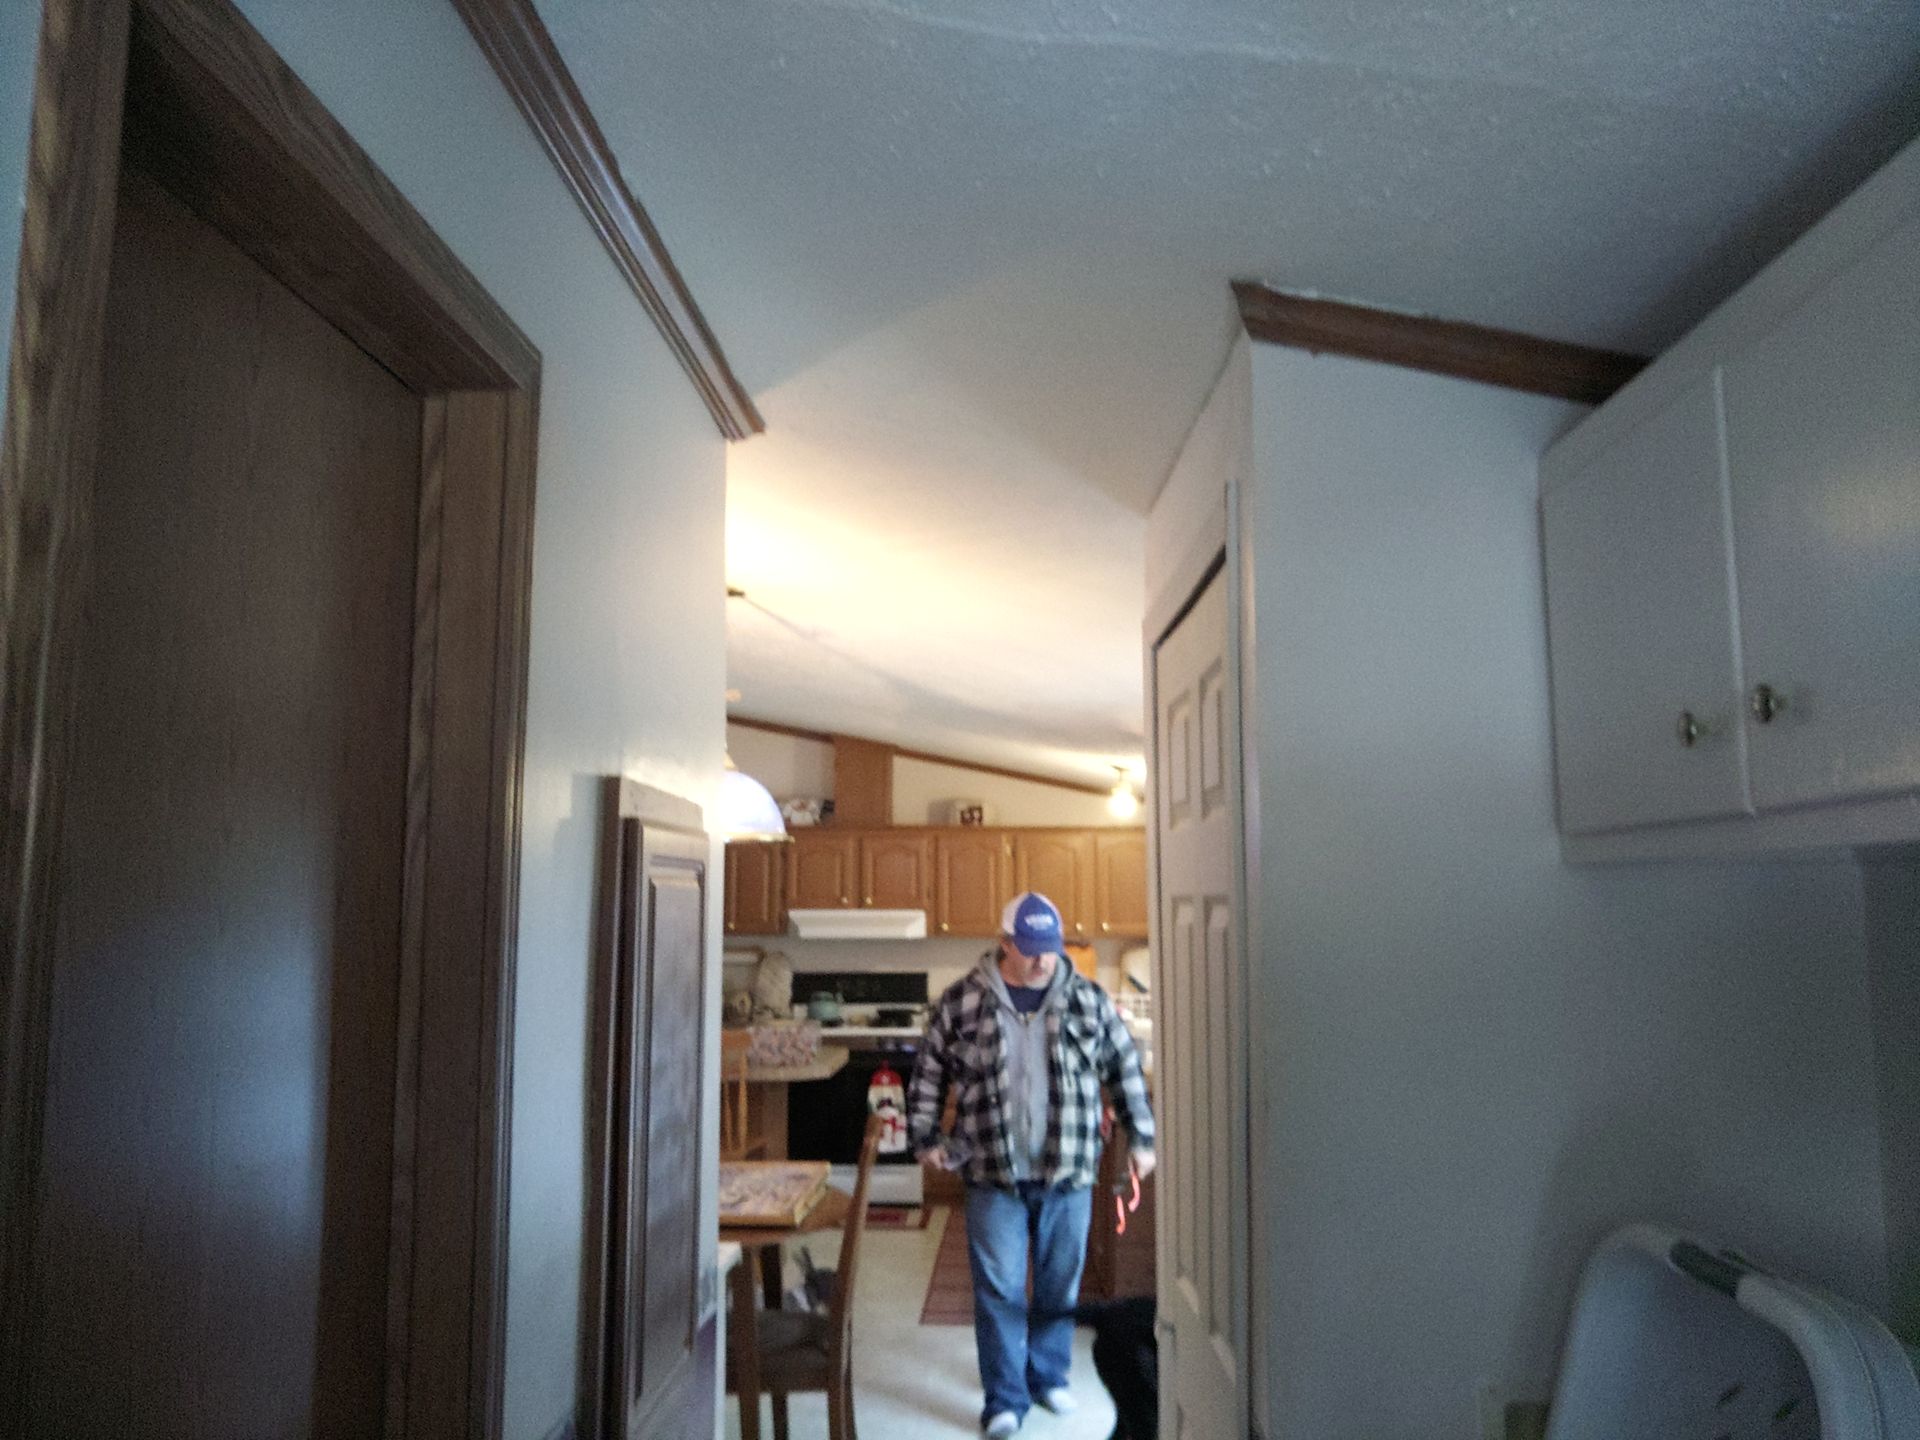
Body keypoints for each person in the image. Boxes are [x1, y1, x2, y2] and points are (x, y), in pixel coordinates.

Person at [907, 891, 1156, 1438]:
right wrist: (924, 1134)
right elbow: (928, 1071)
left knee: (1058, 1284)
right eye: (1029, 948)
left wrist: (1142, 1135)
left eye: (1049, 947)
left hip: (1068, 1169)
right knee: (997, 1289)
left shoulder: (1087, 999)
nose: (1042, 960)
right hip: (991, 1170)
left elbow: (1125, 1069)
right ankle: (1004, 1398)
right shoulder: (963, 1001)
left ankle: (1048, 1376)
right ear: (1004, 943)